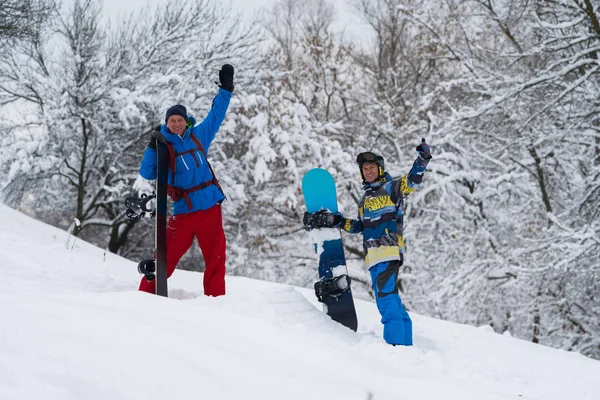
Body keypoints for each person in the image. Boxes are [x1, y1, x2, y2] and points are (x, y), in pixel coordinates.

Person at [303, 139, 432, 345]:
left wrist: (422, 159)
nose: (369, 171)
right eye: (365, 168)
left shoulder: (391, 188)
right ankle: (406, 349)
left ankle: (396, 348)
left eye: (372, 167)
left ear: (380, 169)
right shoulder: (364, 200)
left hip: (387, 253)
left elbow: (412, 181)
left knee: (386, 304)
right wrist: (338, 221)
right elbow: (361, 227)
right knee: (394, 304)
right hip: (373, 258)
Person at [135, 64, 235, 297]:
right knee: (165, 256)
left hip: (210, 207)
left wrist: (226, 90)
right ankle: (142, 297)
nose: (177, 123)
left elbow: (216, 114)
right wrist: (152, 147)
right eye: (172, 121)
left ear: (186, 121)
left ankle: (216, 301)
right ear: (167, 123)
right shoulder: (163, 146)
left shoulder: (199, 136)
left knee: (216, 257)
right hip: (185, 210)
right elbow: (147, 173)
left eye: (180, 119)